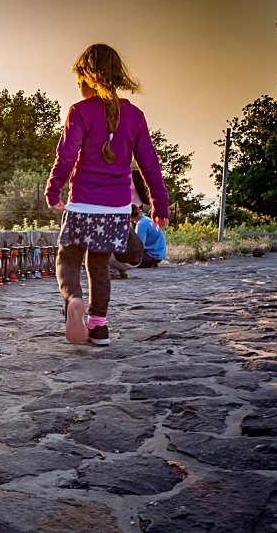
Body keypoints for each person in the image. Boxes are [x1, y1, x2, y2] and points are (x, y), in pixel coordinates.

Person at [45, 43, 170, 346]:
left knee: (68, 260)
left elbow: (66, 155)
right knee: (98, 264)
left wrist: (54, 190)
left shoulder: (79, 111)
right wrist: (159, 204)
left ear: (88, 78)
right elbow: (149, 164)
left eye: (79, 81)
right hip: (115, 209)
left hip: (83, 204)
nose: (79, 87)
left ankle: (74, 301)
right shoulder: (135, 116)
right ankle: (98, 326)